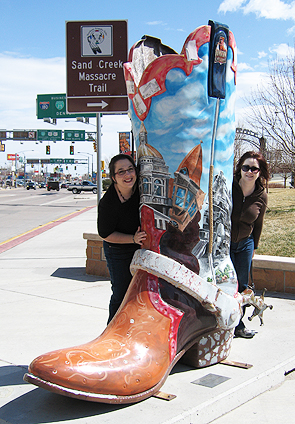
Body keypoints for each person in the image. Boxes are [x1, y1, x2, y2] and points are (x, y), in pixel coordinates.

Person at [97, 154, 146, 323]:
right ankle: (112, 332)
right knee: (121, 293)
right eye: (121, 172)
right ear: (113, 177)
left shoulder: (141, 190)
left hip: (139, 245)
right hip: (117, 249)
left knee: (140, 292)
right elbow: (105, 234)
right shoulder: (108, 203)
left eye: (130, 169)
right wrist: (132, 239)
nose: (127, 175)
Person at [230, 151, 270, 338]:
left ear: (260, 172)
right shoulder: (229, 187)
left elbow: (259, 223)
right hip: (226, 243)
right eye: (246, 167)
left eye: (254, 168)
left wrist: (254, 247)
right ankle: (222, 323)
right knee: (226, 283)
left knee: (242, 286)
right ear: (240, 168)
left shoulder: (261, 196)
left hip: (246, 243)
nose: (250, 171)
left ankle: (238, 325)